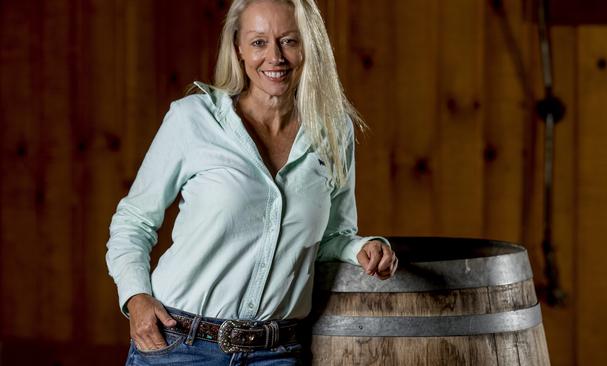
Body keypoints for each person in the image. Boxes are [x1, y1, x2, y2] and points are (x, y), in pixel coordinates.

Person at [105, 0, 398, 364]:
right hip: (179, 346)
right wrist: (135, 298)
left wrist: (362, 248)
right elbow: (134, 221)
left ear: (310, 46)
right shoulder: (193, 119)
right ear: (238, 49)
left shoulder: (335, 132)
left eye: (289, 41)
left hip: (276, 352)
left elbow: (330, 238)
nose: (275, 57)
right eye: (259, 42)